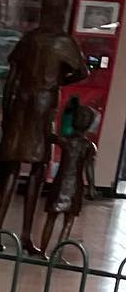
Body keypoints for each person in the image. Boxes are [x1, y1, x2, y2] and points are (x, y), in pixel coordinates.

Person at [0, 0, 88, 255]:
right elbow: (82, 72)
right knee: (36, 170)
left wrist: (6, 111)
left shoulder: (30, 39)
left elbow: (12, 77)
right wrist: (59, 80)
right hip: (43, 104)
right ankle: (24, 234)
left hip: (21, 103)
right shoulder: (63, 42)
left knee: (11, 168)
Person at [41, 101, 99, 252]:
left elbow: (49, 136)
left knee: (51, 218)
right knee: (68, 221)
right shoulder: (89, 146)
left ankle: (42, 250)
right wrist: (91, 187)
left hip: (60, 183)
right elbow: (89, 168)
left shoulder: (65, 140)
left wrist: (50, 118)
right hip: (75, 187)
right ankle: (58, 253)